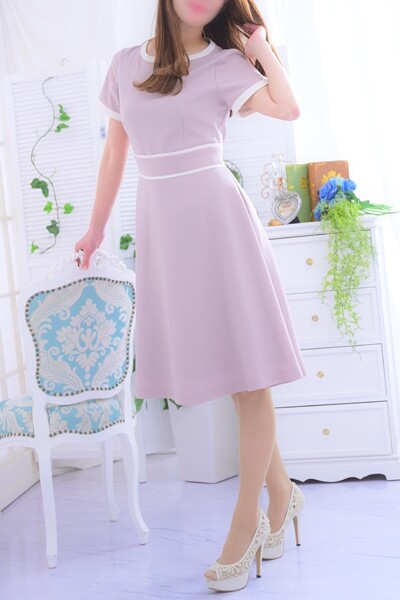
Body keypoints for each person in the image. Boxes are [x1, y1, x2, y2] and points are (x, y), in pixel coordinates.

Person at [75, 0, 306, 593]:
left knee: (250, 376)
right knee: (231, 377)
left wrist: (261, 50)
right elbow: (114, 154)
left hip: (221, 226)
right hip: (164, 231)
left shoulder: (225, 64)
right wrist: (95, 229)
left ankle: (246, 524)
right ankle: (283, 492)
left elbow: (288, 107)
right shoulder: (125, 65)